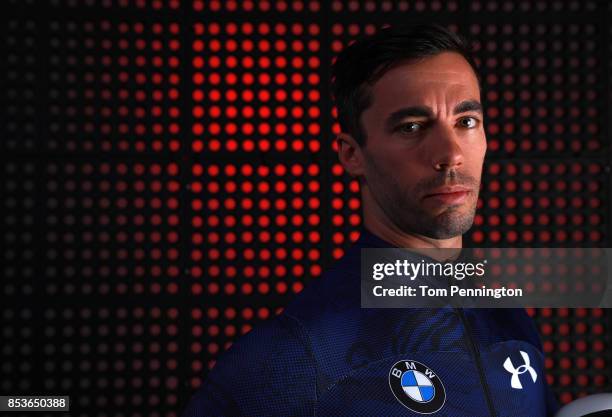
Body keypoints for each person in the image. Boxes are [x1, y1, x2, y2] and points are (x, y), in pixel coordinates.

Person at [181, 23, 560, 416]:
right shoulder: (302, 351)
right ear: (351, 153)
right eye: (412, 127)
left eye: (466, 122)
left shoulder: (506, 315)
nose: (451, 154)